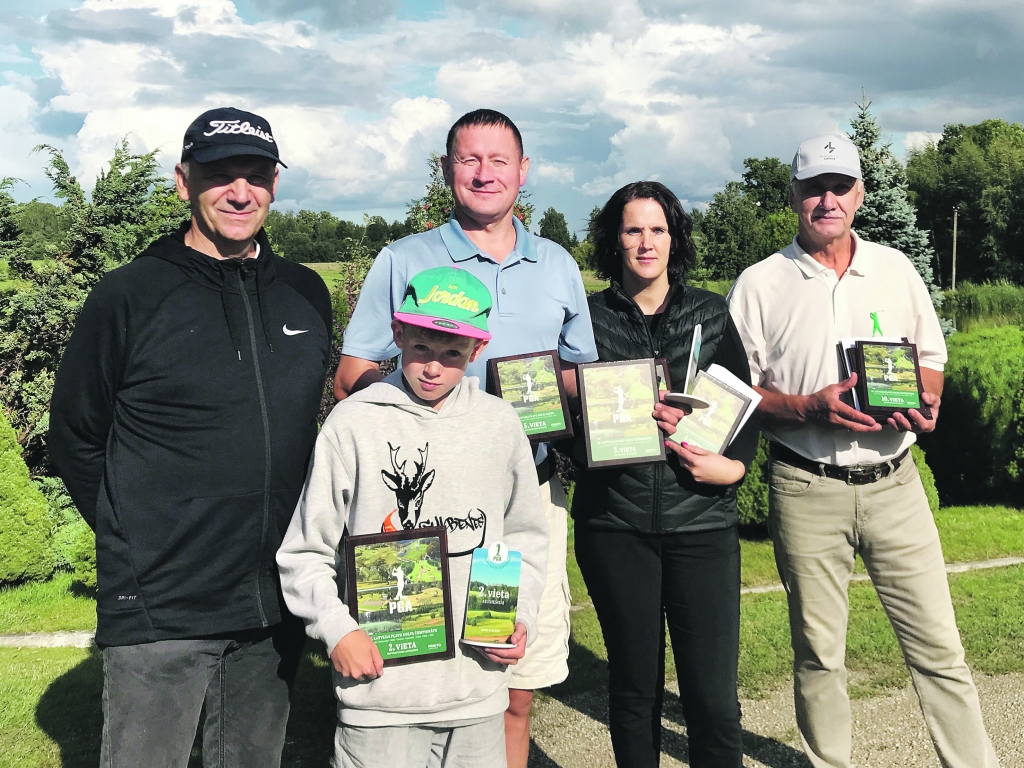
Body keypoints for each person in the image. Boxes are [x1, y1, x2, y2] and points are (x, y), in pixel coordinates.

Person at [48, 107, 332, 768]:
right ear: (183, 182)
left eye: (256, 175)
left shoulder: (304, 293)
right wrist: (136, 536)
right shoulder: (129, 296)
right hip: (163, 605)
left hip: (273, 603)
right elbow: (77, 435)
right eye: (219, 175)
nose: (240, 191)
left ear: (274, 185)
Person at [334, 108, 598, 767]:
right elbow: (352, 373)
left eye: (498, 160)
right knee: (409, 680)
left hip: (517, 506)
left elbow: (581, 375)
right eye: (468, 160)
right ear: (449, 169)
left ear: (523, 171)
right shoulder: (404, 260)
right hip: (417, 510)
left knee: (505, 674)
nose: (484, 173)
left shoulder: (559, 265)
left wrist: (571, 391)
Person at [728, 134, 998, 768]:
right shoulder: (760, 283)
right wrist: (806, 407)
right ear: (793, 195)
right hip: (805, 486)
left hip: (894, 484)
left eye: (840, 185)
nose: (828, 199)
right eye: (814, 187)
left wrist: (925, 401)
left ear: (860, 193)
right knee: (820, 656)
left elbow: (931, 358)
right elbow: (736, 394)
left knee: (939, 648)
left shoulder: (896, 268)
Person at [277, 266, 549, 768]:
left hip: (478, 693)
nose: (432, 368)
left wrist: (521, 615)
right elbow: (304, 552)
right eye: (421, 347)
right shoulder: (354, 422)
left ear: (478, 348)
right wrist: (339, 630)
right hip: (378, 697)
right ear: (398, 334)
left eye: (452, 354)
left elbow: (526, 540)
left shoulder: (500, 423)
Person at [571, 181, 759, 768]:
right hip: (614, 524)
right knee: (633, 690)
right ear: (614, 239)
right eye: (632, 229)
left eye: (657, 229)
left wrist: (733, 467)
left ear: (673, 238)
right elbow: (562, 418)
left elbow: (742, 405)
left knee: (712, 699)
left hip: (701, 523)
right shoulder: (586, 318)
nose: (645, 242)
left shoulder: (711, 312)